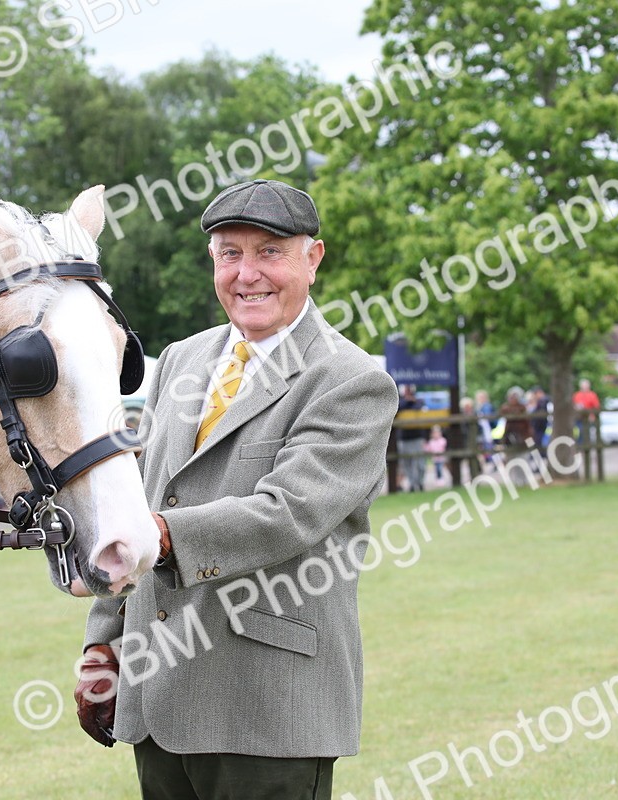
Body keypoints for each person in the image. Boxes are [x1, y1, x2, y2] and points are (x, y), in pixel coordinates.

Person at [77, 179, 399, 800]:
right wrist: (103, 646)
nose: (247, 274)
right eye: (230, 253)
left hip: (268, 709)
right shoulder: (179, 360)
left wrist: (159, 536)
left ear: (313, 258)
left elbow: (287, 513)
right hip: (155, 701)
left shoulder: (351, 380)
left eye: (270, 252)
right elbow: (136, 502)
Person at [396, 384, 429, 491]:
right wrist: (407, 401)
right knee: (407, 464)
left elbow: (420, 408)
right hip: (404, 438)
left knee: (420, 463)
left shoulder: (419, 401)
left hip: (418, 436)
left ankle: (420, 483)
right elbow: (398, 408)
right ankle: (412, 484)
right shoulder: (399, 402)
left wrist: (411, 401)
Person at [499, 387, 531, 455]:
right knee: (510, 454)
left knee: (527, 453)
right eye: (511, 397)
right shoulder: (506, 407)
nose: (513, 399)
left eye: (514, 397)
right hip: (510, 435)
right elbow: (502, 412)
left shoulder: (522, 407)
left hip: (524, 435)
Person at [572, 378, 601, 444]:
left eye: (586, 386)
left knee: (586, 432)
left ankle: (586, 446)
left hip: (588, 417)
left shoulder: (592, 395)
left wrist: (592, 415)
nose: (584, 387)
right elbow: (573, 405)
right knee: (578, 432)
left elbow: (596, 406)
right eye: (583, 386)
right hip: (578, 417)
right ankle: (578, 445)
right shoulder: (577, 395)